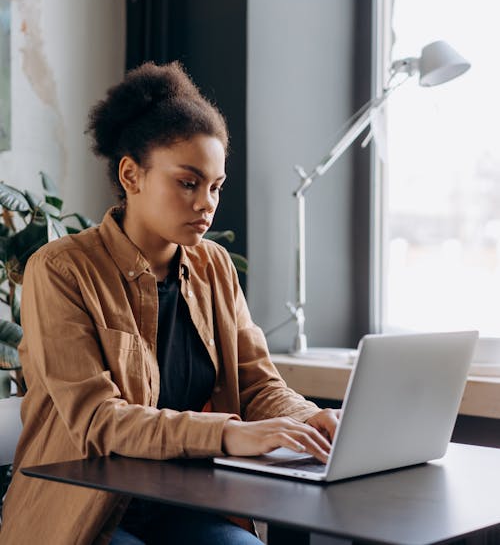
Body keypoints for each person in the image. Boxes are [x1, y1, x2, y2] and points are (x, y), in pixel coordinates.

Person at [0, 62, 339, 545]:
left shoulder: (213, 267)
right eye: (188, 182)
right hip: (85, 513)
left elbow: (259, 384)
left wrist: (310, 420)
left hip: (185, 503)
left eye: (216, 186)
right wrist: (224, 434)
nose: (207, 203)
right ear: (131, 175)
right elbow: (99, 419)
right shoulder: (61, 270)